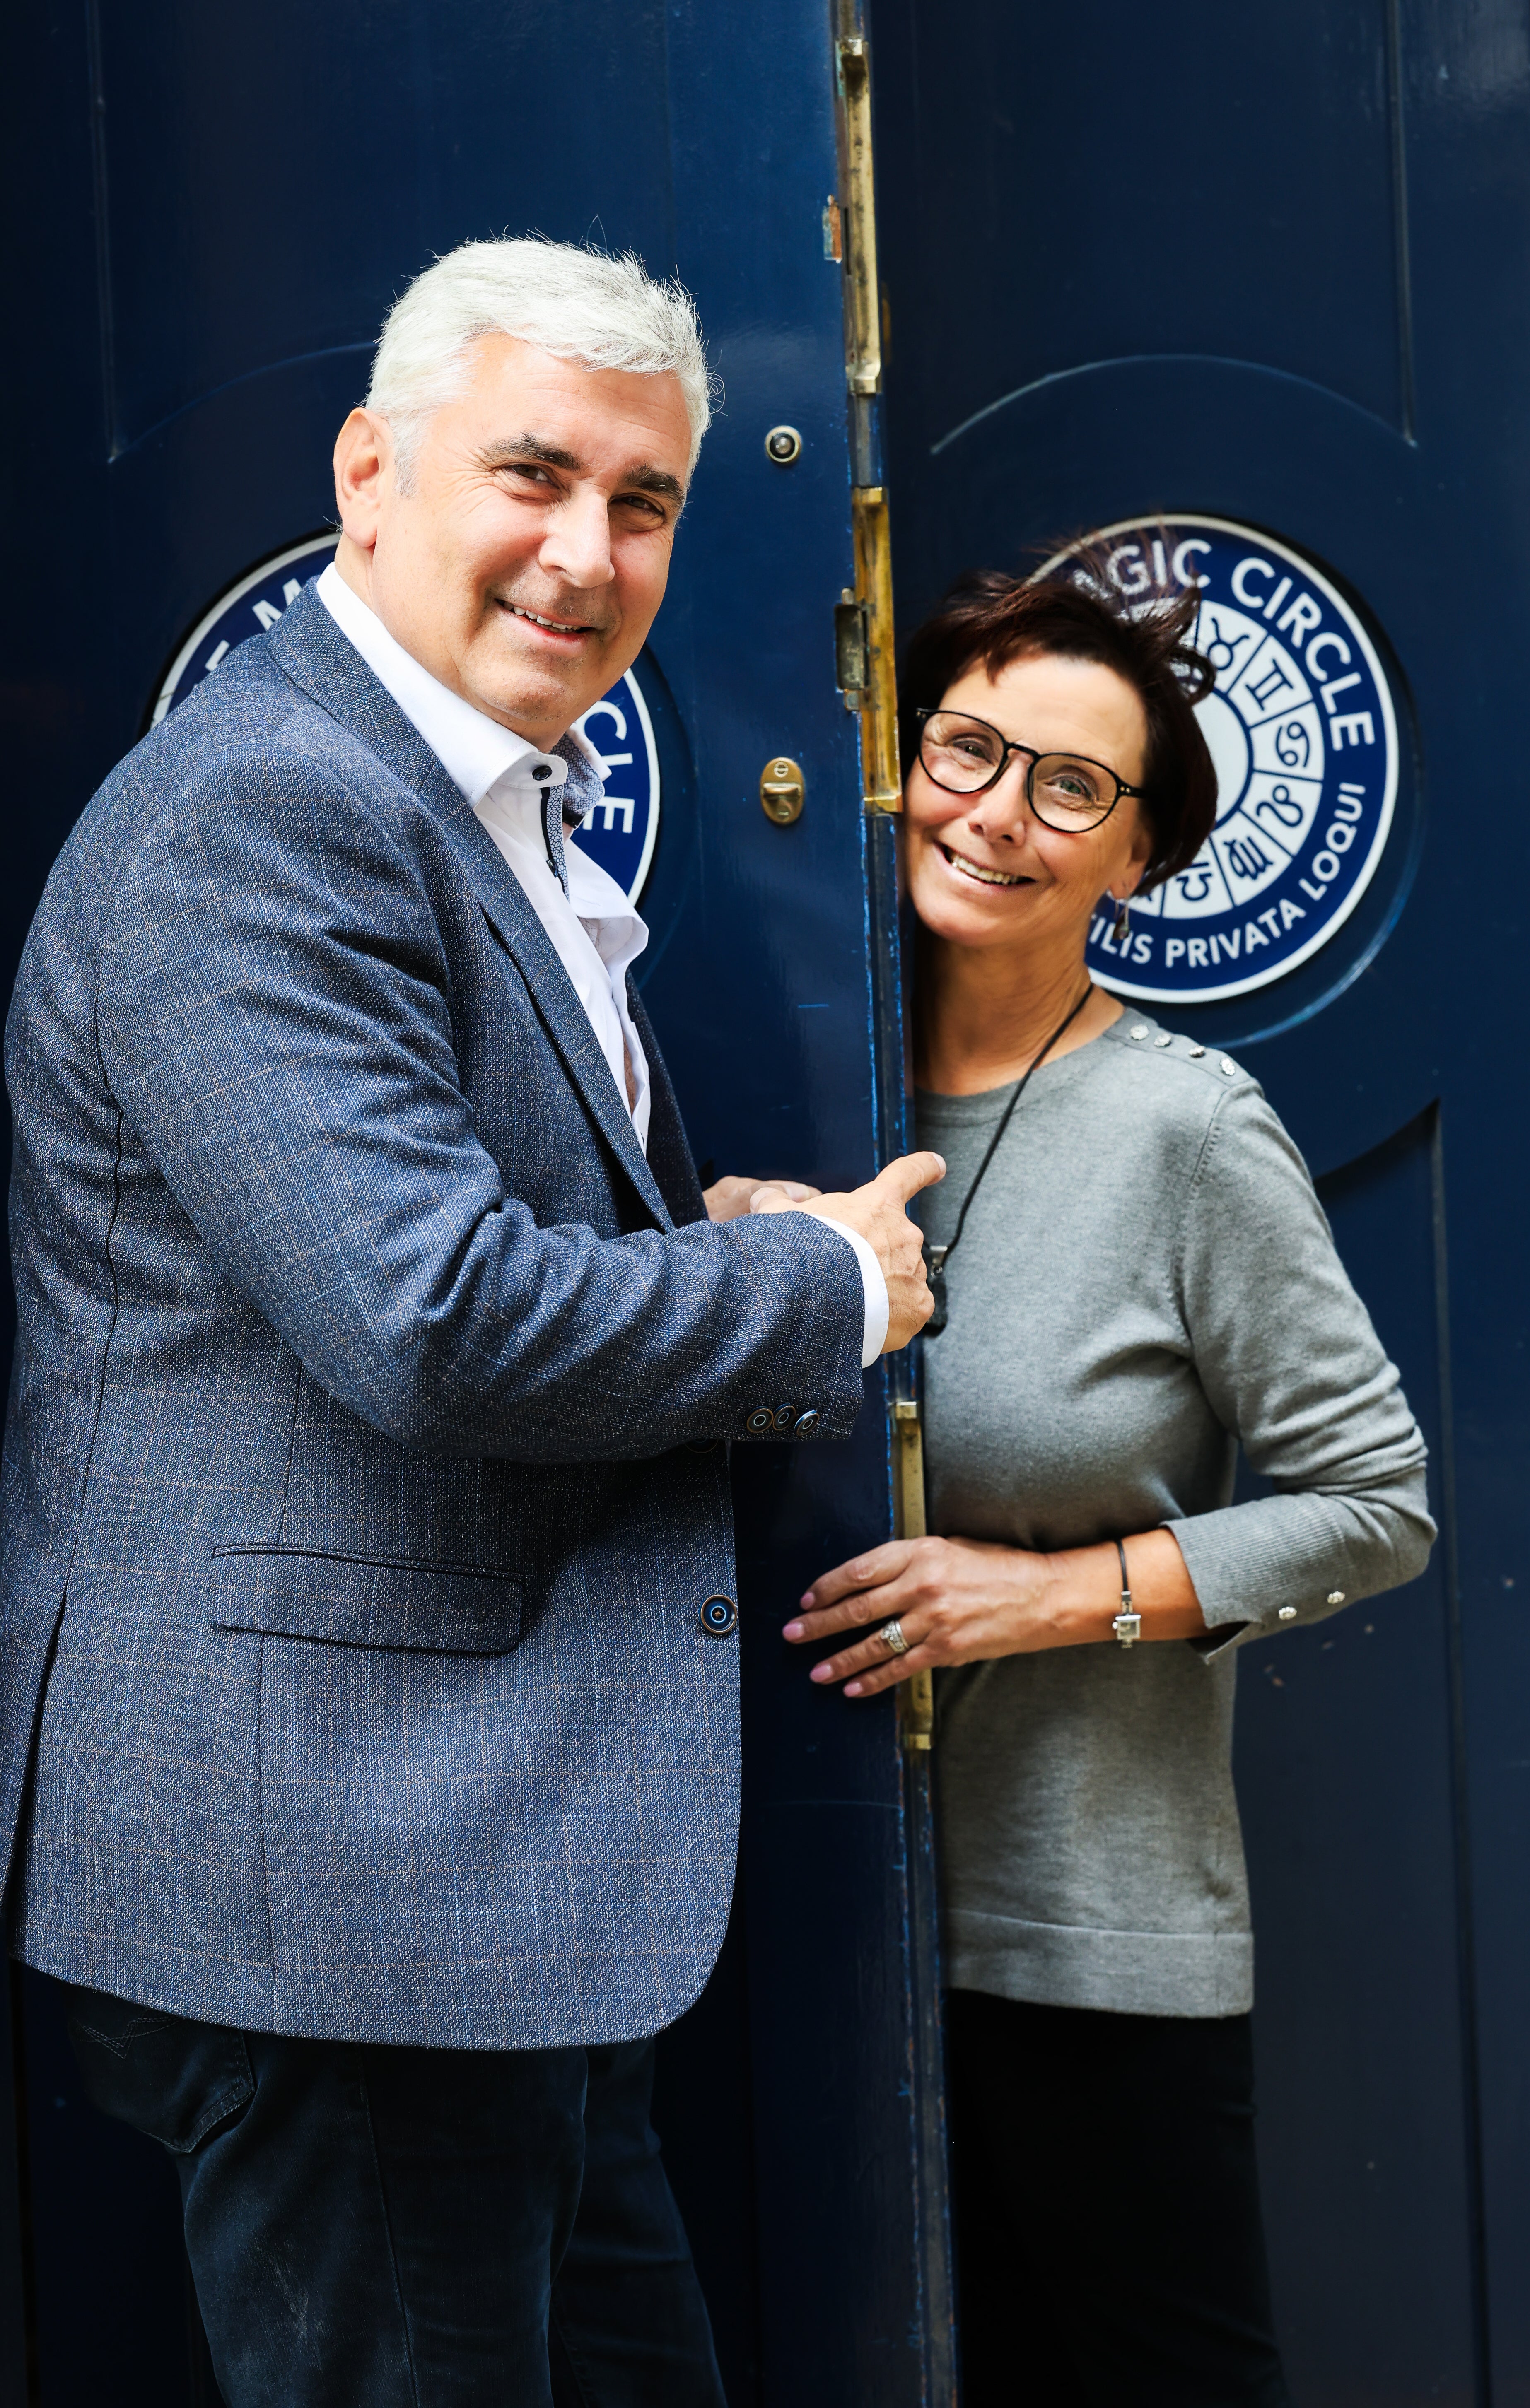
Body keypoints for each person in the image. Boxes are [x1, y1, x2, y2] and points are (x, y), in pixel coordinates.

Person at [0, 236, 941, 2408]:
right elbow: (427, 1317)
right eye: (534, 473)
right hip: (346, 1884)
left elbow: (418, 1224)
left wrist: (692, 1228)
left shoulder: (459, 787)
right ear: (369, 470)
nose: (588, 553)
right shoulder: (271, 804)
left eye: (645, 501)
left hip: (472, 1887)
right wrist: (816, 1284)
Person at [783, 543, 1436, 2405]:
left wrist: (1042, 1594)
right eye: (970, 751)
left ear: (1137, 858)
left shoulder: (1182, 1127)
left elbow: (1378, 1505)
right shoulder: (779, 1084)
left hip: (1080, 1944)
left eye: (1072, 787)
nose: (998, 813)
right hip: (790, 1920)